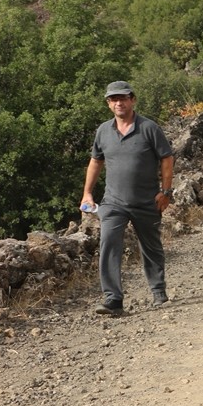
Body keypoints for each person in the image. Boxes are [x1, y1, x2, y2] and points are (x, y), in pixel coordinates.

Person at [80, 80, 175, 316]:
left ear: (132, 100)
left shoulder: (149, 128)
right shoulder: (103, 131)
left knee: (151, 247)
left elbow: (166, 158)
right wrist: (87, 192)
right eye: (113, 99)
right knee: (109, 243)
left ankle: (158, 290)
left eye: (123, 98)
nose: (118, 103)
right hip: (113, 202)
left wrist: (166, 191)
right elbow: (96, 161)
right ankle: (113, 299)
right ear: (108, 104)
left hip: (146, 200)